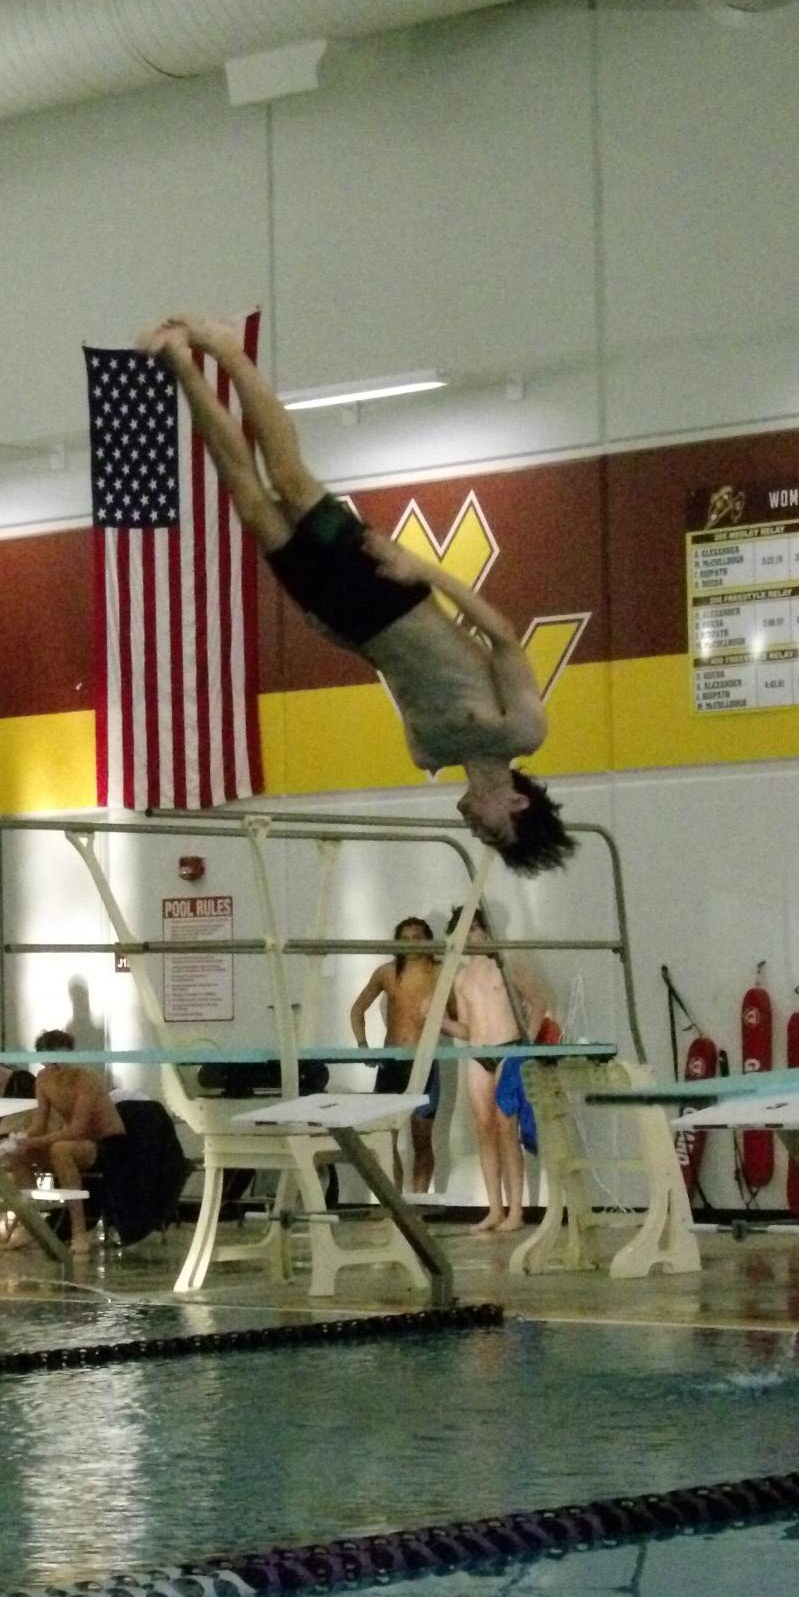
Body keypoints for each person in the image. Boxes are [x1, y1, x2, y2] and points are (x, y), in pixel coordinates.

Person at [134, 314, 575, 876]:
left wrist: (343, 639)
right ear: (517, 801)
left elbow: (398, 669)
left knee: (249, 501)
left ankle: (180, 366)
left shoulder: (428, 752)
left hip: (350, 618)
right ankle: (226, 351)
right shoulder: (522, 731)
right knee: (291, 482)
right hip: (392, 592)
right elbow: (502, 637)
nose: (475, 828)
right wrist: (422, 571)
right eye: (493, 829)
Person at [444, 908, 549, 1234]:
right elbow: (466, 1027)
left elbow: (539, 1000)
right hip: (478, 1053)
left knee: (507, 1130)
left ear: (486, 931)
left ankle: (516, 1210)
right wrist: (443, 1024)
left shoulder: (505, 964)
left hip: (508, 1049)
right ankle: (494, 1208)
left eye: (473, 929)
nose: (469, 937)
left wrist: (525, 1047)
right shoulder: (460, 978)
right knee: (484, 1130)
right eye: (462, 931)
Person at [2, 1029, 126, 1254]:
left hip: (107, 1144)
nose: (56, 1068)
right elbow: (39, 1124)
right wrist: (20, 1139)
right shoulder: (43, 1079)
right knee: (17, 1154)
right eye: (50, 1062)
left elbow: (79, 1128)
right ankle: (32, 1224)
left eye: (60, 1061)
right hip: (76, 1140)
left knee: (61, 1149)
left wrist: (36, 1142)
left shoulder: (86, 1079)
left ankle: (79, 1231)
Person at [349, 915, 443, 1193]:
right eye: (406, 939)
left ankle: (418, 1205)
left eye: (418, 938)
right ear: (398, 943)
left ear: (428, 941)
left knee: (421, 1138)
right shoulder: (387, 973)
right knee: (384, 1139)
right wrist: (362, 1046)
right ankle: (396, 1206)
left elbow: (460, 1014)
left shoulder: (439, 973)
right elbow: (357, 1009)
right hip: (392, 1063)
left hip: (424, 1062)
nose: (412, 944)